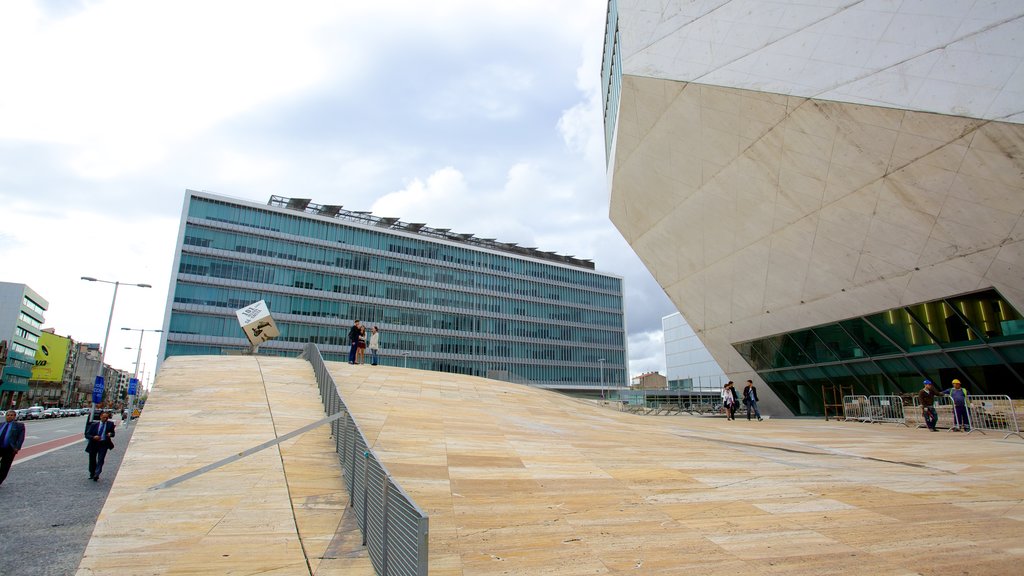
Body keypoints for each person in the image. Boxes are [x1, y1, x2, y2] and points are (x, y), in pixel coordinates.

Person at [84, 411, 116, 481]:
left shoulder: (110, 424)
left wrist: (110, 434)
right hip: (94, 444)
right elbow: (87, 435)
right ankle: (92, 473)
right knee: (92, 459)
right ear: (100, 417)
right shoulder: (94, 425)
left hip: (103, 444)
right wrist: (93, 437)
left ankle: (97, 474)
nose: (105, 419)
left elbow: (113, 433)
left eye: (107, 418)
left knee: (101, 459)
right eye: (104, 417)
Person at [0, 410, 26, 486]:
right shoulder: (1, 424)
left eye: (11, 415)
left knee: (5, 466)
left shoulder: (19, 426)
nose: (9, 416)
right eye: (8, 415)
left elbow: (21, 438)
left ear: (14, 417)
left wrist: (17, 447)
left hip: (10, 448)